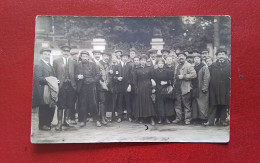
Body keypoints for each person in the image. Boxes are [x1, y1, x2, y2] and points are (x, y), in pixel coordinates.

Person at [75, 51, 102, 127]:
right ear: (81, 57)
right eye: (83, 56)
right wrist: (77, 76)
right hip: (82, 86)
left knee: (93, 103)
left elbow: (98, 74)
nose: (85, 58)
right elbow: (75, 75)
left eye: (86, 56)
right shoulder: (78, 65)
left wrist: (93, 81)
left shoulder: (93, 64)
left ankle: (96, 120)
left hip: (91, 86)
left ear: (88, 57)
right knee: (83, 103)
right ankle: (82, 121)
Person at [204, 48, 230, 126]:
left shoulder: (230, 65)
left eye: (222, 54)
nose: (221, 56)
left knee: (224, 104)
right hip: (214, 88)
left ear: (225, 56)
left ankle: (222, 120)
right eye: (219, 54)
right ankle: (211, 121)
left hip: (225, 88)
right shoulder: (213, 65)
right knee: (213, 104)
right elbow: (208, 76)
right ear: (217, 56)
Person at [53, 45, 77, 131]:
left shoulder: (73, 62)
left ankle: (66, 121)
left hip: (71, 86)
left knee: (69, 104)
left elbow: (75, 73)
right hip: (61, 86)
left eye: (67, 51)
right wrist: (56, 81)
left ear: (69, 53)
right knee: (60, 104)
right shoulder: (56, 61)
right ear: (61, 52)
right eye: (64, 51)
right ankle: (59, 123)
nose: (66, 53)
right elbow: (54, 73)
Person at [34, 48, 56, 131]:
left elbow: (53, 77)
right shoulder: (39, 65)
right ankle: (42, 125)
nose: (47, 56)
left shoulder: (50, 65)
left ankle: (48, 123)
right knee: (44, 107)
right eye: (45, 54)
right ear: (41, 55)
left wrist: (55, 80)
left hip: (50, 88)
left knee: (50, 105)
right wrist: (50, 79)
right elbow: (38, 78)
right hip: (43, 89)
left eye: (48, 54)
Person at [172, 52, 197, 125]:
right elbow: (175, 76)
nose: (181, 57)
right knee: (177, 104)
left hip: (185, 88)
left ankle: (187, 119)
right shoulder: (177, 66)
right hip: (177, 88)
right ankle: (178, 118)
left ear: (185, 57)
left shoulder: (189, 65)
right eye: (179, 56)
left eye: (182, 56)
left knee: (186, 104)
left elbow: (194, 75)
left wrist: (184, 76)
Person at [132, 54, 156, 126]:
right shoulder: (136, 69)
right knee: (141, 102)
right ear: (139, 61)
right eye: (142, 60)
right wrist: (135, 88)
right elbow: (134, 80)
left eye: (144, 60)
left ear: (146, 61)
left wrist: (153, 88)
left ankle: (152, 118)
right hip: (139, 87)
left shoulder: (150, 68)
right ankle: (141, 118)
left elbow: (153, 78)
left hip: (148, 86)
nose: (143, 62)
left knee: (149, 102)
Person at [112, 52, 133, 122]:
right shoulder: (116, 66)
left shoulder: (130, 66)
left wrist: (129, 85)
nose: (125, 58)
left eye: (126, 57)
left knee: (128, 101)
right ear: (121, 58)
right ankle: (120, 116)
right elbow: (113, 77)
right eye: (124, 57)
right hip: (119, 87)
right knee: (120, 102)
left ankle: (129, 116)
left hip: (127, 86)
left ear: (128, 58)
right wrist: (117, 78)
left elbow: (131, 77)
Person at [153, 59, 175, 124]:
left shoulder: (167, 71)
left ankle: (167, 118)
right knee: (159, 104)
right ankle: (160, 118)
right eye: (159, 63)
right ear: (157, 64)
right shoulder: (155, 71)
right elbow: (154, 80)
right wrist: (158, 83)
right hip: (158, 89)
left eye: (162, 63)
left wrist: (166, 82)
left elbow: (171, 80)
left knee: (167, 104)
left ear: (164, 64)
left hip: (166, 89)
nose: (161, 64)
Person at [191, 54, 210, 123]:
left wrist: (204, 87)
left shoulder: (204, 67)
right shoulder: (192, 67)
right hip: (194, 87)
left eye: (198, 58)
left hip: (201, 87)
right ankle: (196, 117)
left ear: (200, 59)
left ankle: (203, 118)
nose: (196, 60)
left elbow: (206, 78)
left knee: (203, 103)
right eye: (195, 58)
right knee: (195, 102)